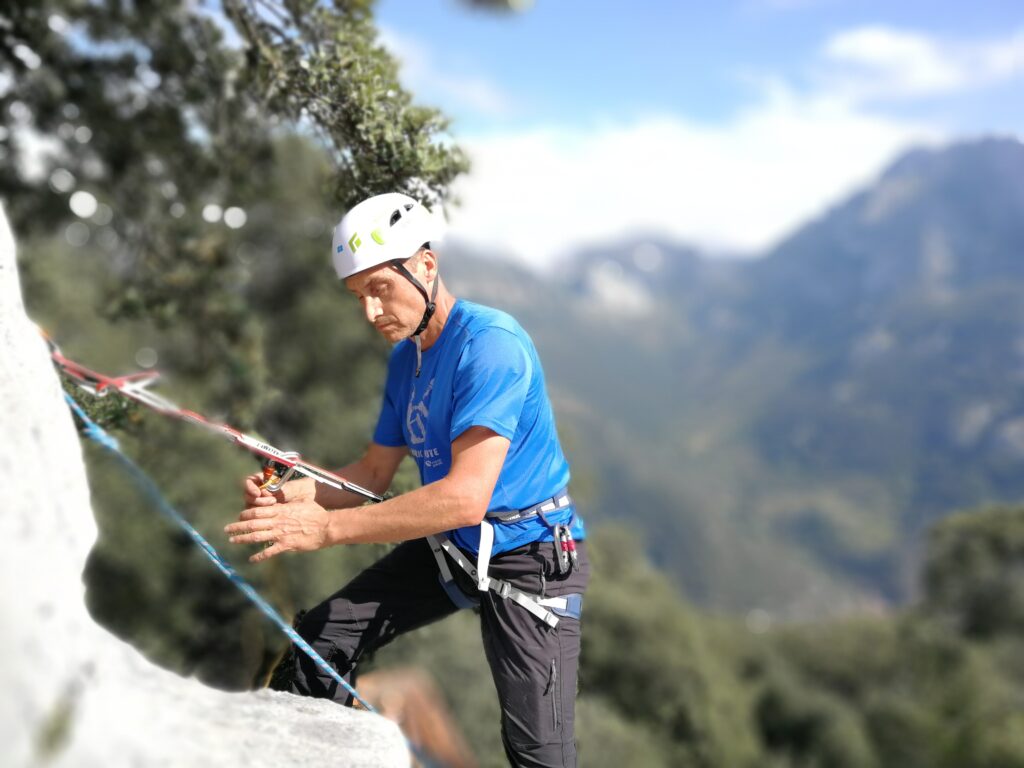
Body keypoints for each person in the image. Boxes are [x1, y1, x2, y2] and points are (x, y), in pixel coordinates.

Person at [225, 192, 588, 767]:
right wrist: (292, 492)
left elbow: (466, 498)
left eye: (379, 288)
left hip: (530, 556)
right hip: (454, 546)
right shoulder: (407, 359)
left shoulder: (490, 346)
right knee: (320, 640)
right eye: (358, 296)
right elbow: (371, 473)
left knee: (539, 756)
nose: (370, 312)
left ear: (425, 266)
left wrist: (325, 530)